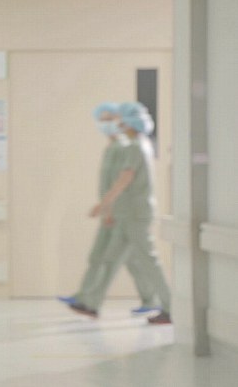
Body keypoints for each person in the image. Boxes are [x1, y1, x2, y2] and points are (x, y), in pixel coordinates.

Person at [66, 102, 172, 325]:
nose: (118, 123)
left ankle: (171, 307)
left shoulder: (135, 147)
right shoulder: (139, 145)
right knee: (110, 259)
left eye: (120, 119)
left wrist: (104, 204)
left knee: (149, 261)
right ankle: (91, 304)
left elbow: (125, 178)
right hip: (127, 214)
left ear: (130, 122)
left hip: (135, 214)